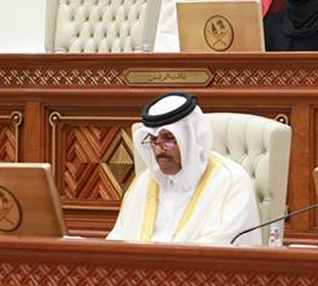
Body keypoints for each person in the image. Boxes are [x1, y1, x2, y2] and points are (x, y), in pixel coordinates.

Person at [108, 93, 261, 245]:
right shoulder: (144, 182)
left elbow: (222, 250)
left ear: (191, 138)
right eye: (154, 140)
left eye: (169, 139)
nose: (158, 150)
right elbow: (117, 241)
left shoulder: (231, 181)